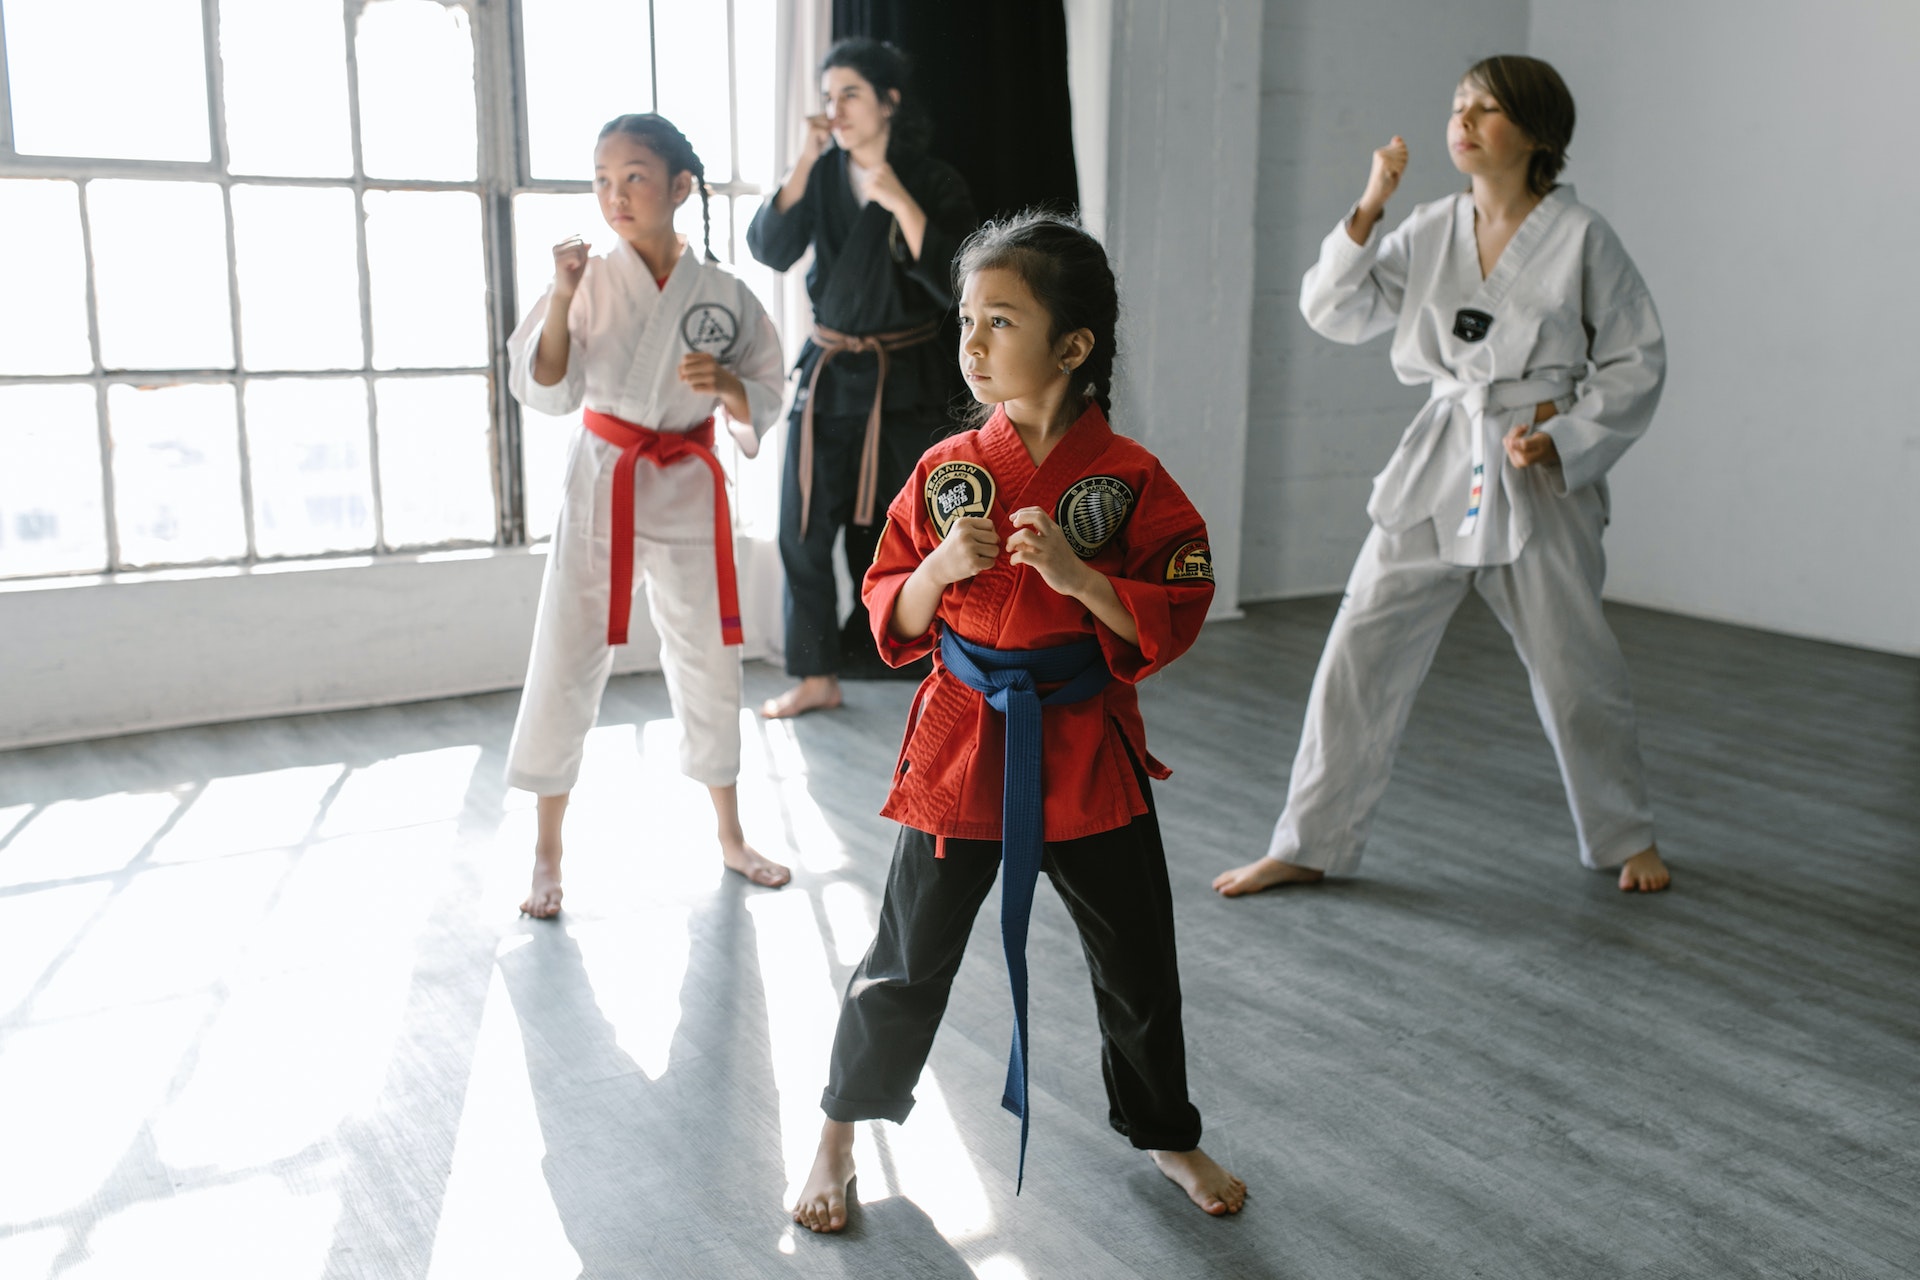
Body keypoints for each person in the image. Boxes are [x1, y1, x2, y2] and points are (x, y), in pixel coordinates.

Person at [789, 213, 1247, 1233]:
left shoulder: (1128, 476)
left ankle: (1166, 1127)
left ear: (1074, 344)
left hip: (1085, 736)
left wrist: (1083, 578)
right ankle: (838, 1126)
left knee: (1138, 959)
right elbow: (886, 607)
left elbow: (1177, 599)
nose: (975, 343)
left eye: (1002, 320)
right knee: (908, 954)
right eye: (967, 321)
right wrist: (942, 570)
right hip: (967, 736)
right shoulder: (951, 465)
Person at [1214, 56, 1672, 899]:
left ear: (1538, 136)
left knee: (1574, 669)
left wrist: (1564, 436)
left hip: (1533, 468)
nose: (1462, 121)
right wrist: (1368, 206)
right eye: (1458, 105)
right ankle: (1310, 840)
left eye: (1487, 109)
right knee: (1360, 647)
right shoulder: (1426, 226)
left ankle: (1623, 835)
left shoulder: (1581, 239)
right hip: (1440, 459)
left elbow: (1637, 359)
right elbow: (1333, 309)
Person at [505, 113, 792, 918]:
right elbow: (550, 383)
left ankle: (732, 836)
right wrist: (562, 296)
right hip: (606, 473)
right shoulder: (589, 277)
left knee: (709, 655)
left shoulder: (725, 295)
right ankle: (546, 852)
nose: (614, 195)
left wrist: (728, 388)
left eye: (632, 177)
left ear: (679, 188)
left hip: (689, 479)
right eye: (601, 179)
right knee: (567, 650)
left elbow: (766, 387)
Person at [747, 37, 979, 719]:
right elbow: (771, 248)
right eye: (828, 98)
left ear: (889, 101)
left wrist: (900, 200)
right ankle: (816, 675)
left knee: (916, 531)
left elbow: (959, 284)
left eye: (850, 93)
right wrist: (804, 161)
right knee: (802, 528)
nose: (836, 109)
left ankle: (942, 663)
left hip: (906, 380)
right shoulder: (821, 176)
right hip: (827, 378)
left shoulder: (933, 180)